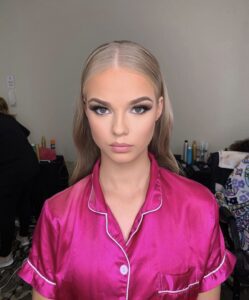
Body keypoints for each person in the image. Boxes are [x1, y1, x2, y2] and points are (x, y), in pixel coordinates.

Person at [18, 41, 235, 300]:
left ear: (159, 108)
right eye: (102, 109)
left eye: (138, 108)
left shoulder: (199, 208)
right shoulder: (57, 216)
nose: (119, 129)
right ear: (86, 110)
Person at [0, 97, 39, 268]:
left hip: (13, 171)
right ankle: (23, 237)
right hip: (30, 165)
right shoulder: (9, 120)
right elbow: (26, 133)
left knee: (5, 212)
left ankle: (5, 255)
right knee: (24, 201)